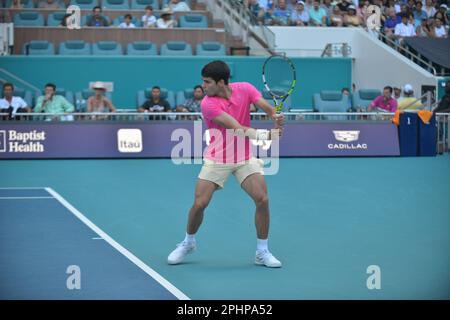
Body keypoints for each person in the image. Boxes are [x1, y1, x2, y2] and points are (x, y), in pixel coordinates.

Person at [167, 60, 284, 268]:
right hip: (217, 158)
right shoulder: (208, 104)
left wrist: (275, 116)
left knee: (262, 199)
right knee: (199, 204)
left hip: (244, 157)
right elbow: (237, 128)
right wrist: (268, 134)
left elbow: (265, 106)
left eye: (207, 82)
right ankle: (188, 242)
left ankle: (262, 251)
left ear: (221, 82)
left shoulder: (245, 88)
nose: (203, 86)